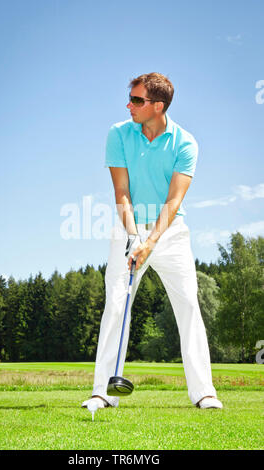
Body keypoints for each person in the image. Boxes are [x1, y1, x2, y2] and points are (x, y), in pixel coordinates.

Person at [82, 72, 223, 410]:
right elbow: (121, 192)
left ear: (158, 106)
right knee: (116, 305)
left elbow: (174, 202)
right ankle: (103, 392)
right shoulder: (118, 134)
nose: (129, 105)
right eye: (130, 98)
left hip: (170, 232)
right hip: (128, 227)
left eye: (137, 100)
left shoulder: (185, 143)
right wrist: (133, 237)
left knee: (188, 304)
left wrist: (151, 242)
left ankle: (204, 392)